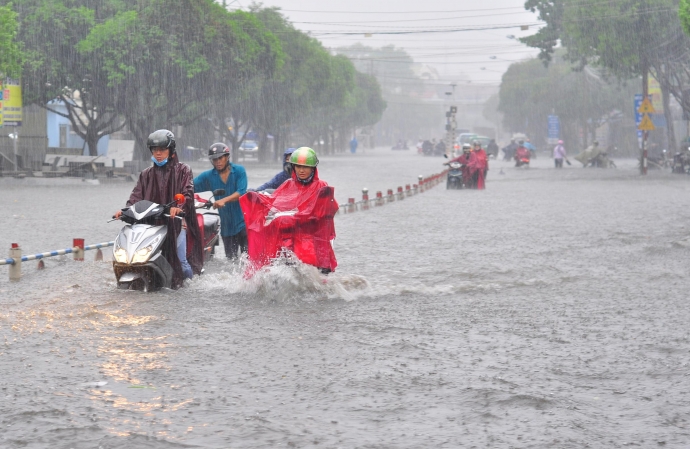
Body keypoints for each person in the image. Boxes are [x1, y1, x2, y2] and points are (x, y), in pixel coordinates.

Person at [114, 129, 203, 288]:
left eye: (162, 149)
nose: (158, 153)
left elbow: (187, 193)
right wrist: (125, 210)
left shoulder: (183, 170)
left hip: (175, 224)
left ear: (171, 150)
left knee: (181, 263)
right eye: (155, 150)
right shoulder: (145, 174)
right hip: (152, 226)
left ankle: (190, 287)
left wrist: (179, 207)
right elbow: (136, 196)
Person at [240, 147, 338, 274]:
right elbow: (275, 201)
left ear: (313, 168)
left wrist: (304, 216)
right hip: (289, 236)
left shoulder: (322, 186)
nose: (301, 170)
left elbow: (328, 209)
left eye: (305, 167)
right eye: (298, 166)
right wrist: (256, 197)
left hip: (312, 236)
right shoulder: (288, 184)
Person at [194, 142, 248, 259]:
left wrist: (224, 200)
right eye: (214, 159)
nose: (218, 161)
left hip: (243, 223)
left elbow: (241, 192)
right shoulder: (208, 176)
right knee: (231, 261)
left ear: (227, 157)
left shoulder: (239, 171)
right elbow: (189, 186)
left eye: (220, 158)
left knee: (248, 259)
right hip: (227, 228)